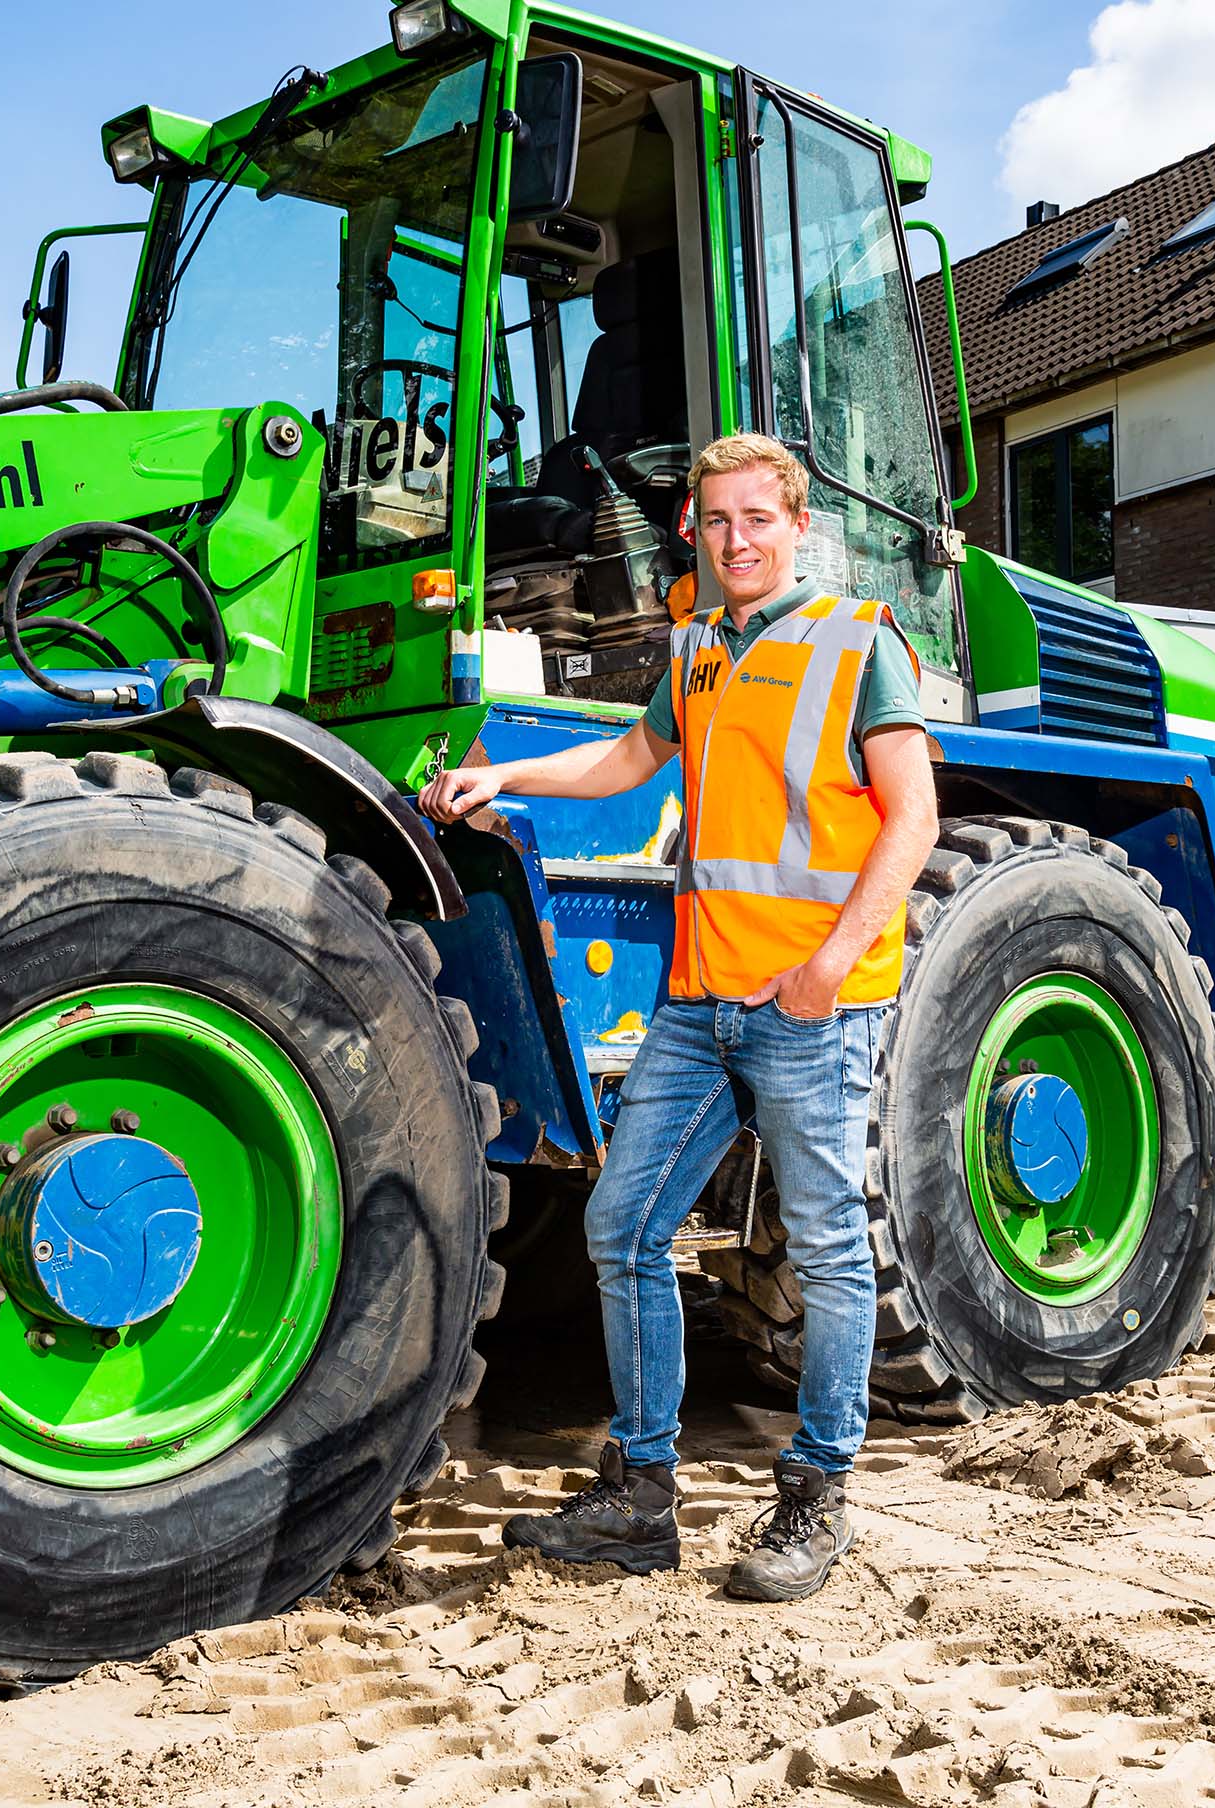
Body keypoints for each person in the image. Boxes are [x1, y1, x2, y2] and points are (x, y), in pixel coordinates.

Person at [418, 432, 937, 1602]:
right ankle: (644, 1491)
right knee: (623, 1224)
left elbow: (913, 817)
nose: (737, 538)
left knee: (826, 1246)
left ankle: (816, 1492)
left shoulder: (860, 643)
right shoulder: (701, 646)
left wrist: (825, 966)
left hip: (810, 1006)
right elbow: (628, 759)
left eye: (757, 518)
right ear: (694, 532)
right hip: (700, 1006)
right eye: (716, 521)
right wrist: (508, 777)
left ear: (797, 524)